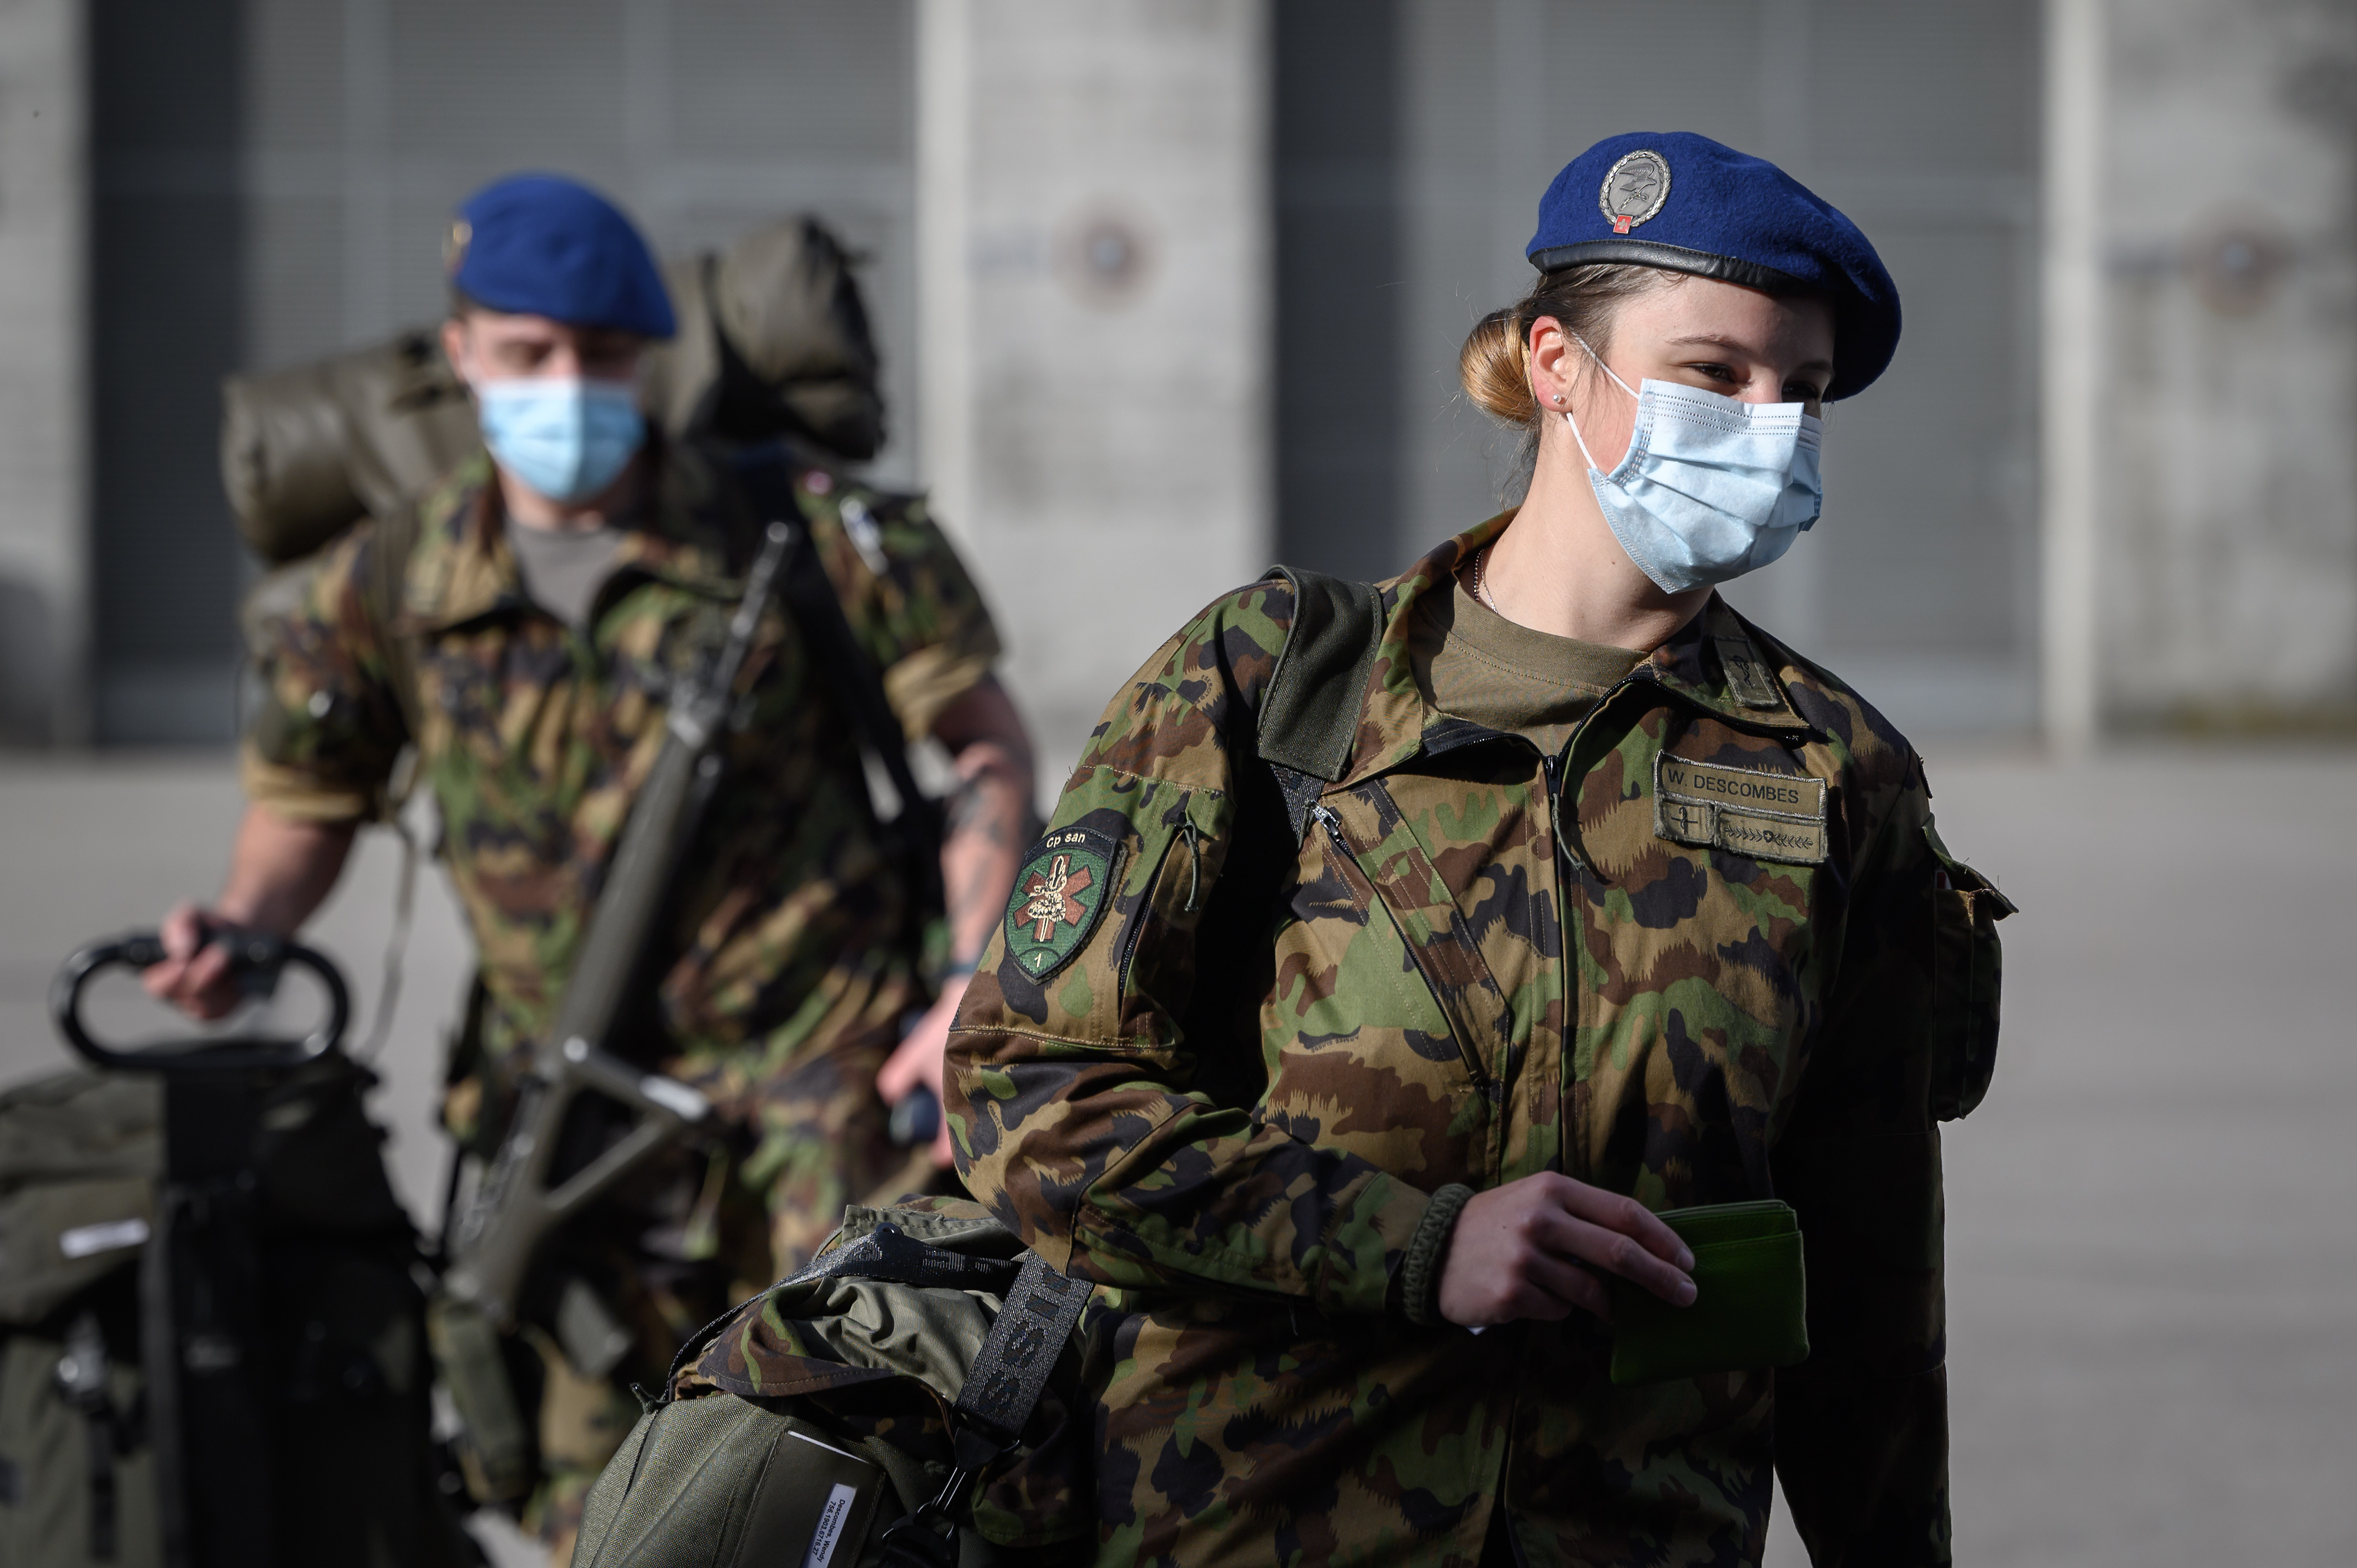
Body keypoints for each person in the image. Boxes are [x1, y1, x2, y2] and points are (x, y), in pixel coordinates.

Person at [948, 132, 2010, 1566]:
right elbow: (1028, 1092)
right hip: (1257, 1527)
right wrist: (1408, 1242)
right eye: (1716, 373)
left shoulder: (1833, 771)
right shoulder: (1274, 683)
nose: (1769, 426)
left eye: (1802, 394)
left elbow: (1868, 1263)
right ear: (1556, 362)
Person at [142, 174, 1032, 1554]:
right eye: (530, 353)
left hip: (816, 1087)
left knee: (839, 1470)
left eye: (604, 355)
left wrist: (967, 979)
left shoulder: (805, 530)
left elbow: (981, 749)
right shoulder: (389, 577)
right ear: (461, 353)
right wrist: (245, 923)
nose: (570, 385)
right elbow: (308, 800)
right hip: (563, 1117)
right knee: (586, 1495)